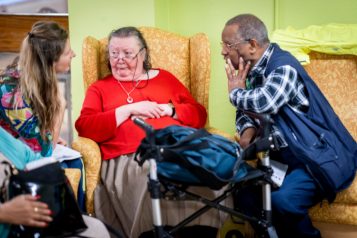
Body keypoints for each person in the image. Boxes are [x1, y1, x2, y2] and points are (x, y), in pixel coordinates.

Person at [76, 27, 231, 238]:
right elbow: (85, 126)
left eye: (127, 53)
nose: (119, 59)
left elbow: (198, 114)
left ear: (143, 54)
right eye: (113, 53)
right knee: (153, 174)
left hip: (178, 147)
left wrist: (171, 110)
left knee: (205, 170)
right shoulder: (100, 89)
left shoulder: (165, 78)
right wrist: (128, 110)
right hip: (132, 156)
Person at [221, 14, 357, 238]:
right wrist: (247, 132)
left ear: (252, 45)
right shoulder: (252, 73)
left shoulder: (284, 66)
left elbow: (265, 101)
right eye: (222, 45)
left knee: (283, 201)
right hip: (281, 161)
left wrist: (236, 92)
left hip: (312, 158)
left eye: (229, 45)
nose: (224, 51)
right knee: (245, 196)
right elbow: (243, 113)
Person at [0, 21, 85, 211]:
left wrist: (47, 133)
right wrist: (61, 105)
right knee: (68, 166)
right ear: (50, 61)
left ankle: (77, 220)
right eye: (67, 52)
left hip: (22, 142)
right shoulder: (11, 92)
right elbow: (44, 152)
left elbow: (33, 127)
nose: (73, 54)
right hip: (8, 155)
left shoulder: (33, 73)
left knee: (75, 161)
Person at [0, 126, 111, 238]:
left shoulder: (2, 136)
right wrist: (4, 213)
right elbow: (47, 148)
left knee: (97, 227)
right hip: (11, 225)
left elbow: (36, 156)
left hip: (37, 214)